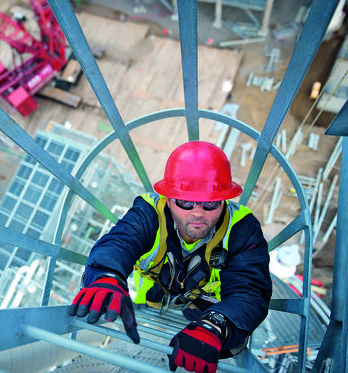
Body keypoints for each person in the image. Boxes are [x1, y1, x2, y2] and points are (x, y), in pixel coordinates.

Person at [69, 141, 272, 373]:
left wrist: (215, 326)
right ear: (168, 197)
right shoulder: (149, 212)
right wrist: (107, 277)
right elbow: (120, 243)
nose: (197, 213)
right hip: (152, 303)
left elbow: (249, 290)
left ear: (225, 200)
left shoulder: (242, 229)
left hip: (204, 311)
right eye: (185, 202)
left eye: (210, 203)